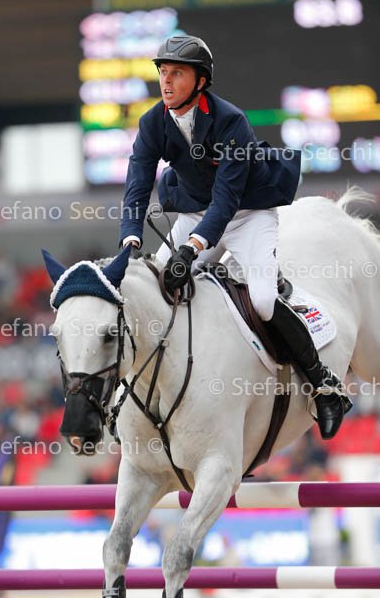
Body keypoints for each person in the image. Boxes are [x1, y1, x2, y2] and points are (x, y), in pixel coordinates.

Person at [119, 35, 349, 439]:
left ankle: (323, 385)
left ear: (200, 81)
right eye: (163, 72)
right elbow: (137, 186)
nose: (166, 81)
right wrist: (130, 243)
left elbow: (226, 201)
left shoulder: (231, 121)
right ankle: (141, 398)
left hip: (247, 215)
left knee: (262, 301)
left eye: (176, 73)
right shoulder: (153, 122)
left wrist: (191, 249)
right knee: (153, 291)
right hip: (195, 213)